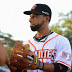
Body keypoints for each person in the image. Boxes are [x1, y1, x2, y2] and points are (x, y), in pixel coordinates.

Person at [8, 3, 71, 72]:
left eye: (34, 16)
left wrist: (40, 65)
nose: (30, 20)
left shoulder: (61, 41)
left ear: (47, 18)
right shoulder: (26, 44)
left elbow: (63, 68)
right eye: (30, 16)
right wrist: (6, 61)